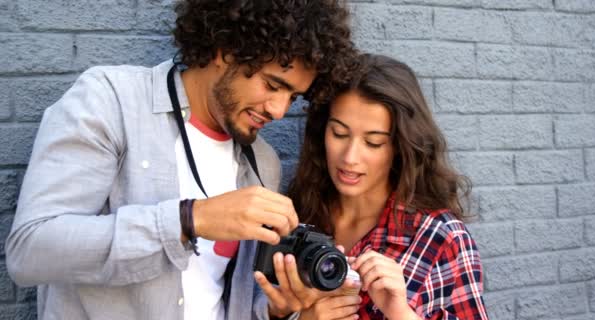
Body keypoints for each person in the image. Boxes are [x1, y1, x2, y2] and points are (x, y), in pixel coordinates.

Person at [5, 1, 357, 319]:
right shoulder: (111, 102)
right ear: (228, 50)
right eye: (272, 85)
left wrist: (276, 310)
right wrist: (191, 218)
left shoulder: (263, 163)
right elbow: (31, 251)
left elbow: (223, 295)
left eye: (293, 96)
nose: (279, 111)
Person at [285, 54, 489, 320]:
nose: (350, 157)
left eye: (373, 142)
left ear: (400, 147)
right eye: (339, 134)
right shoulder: (298, 215)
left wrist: (399, 313)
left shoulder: (441, 238)